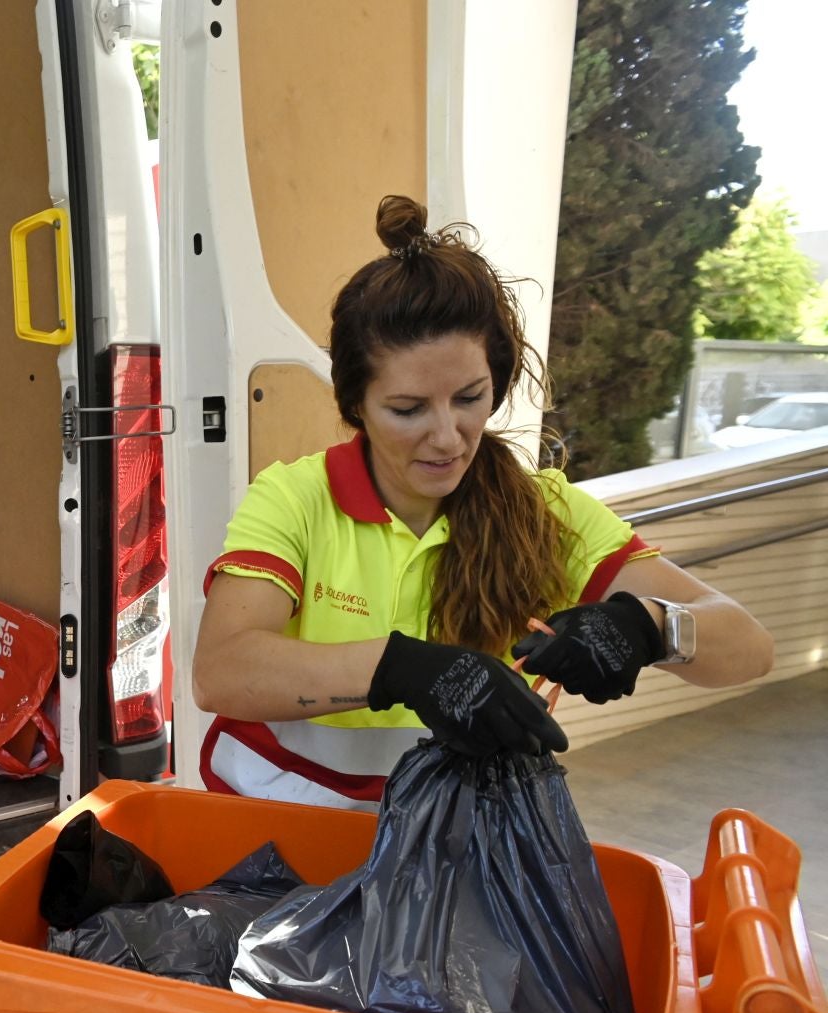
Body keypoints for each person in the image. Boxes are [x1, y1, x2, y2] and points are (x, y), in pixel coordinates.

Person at [190, 195, 774, 810]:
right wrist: (404, 670)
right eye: (408, 409)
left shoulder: (544, 513)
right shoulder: (297, 500)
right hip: (283, 852)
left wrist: (648, 626)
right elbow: (222, 670)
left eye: (469, 398)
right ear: (355, 405)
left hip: (459, 856)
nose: (446, 437)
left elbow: (750, 647)